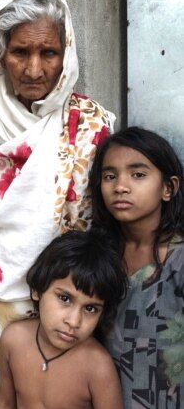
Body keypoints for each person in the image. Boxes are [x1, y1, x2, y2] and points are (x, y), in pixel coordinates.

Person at [0, 0, 116, 407]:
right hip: (4, 303)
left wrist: (73, 299)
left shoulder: (89, 125)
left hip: (75, 298)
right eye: (20, 52)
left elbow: (103, 222)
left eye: (48, 53)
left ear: (65, 55)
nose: (34, 68)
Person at [90, 126, 184, 408]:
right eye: (109, 176)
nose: (121, 186)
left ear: (168, 188)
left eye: (138, 174)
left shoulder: (178, 261)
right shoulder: (95, 256)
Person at [0, 229, 127, 409]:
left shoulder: (98, 367)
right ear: (37, 289)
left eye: (90, 308)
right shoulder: (13, 339)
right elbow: (4, 403)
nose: (74, 322)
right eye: (65, 298)